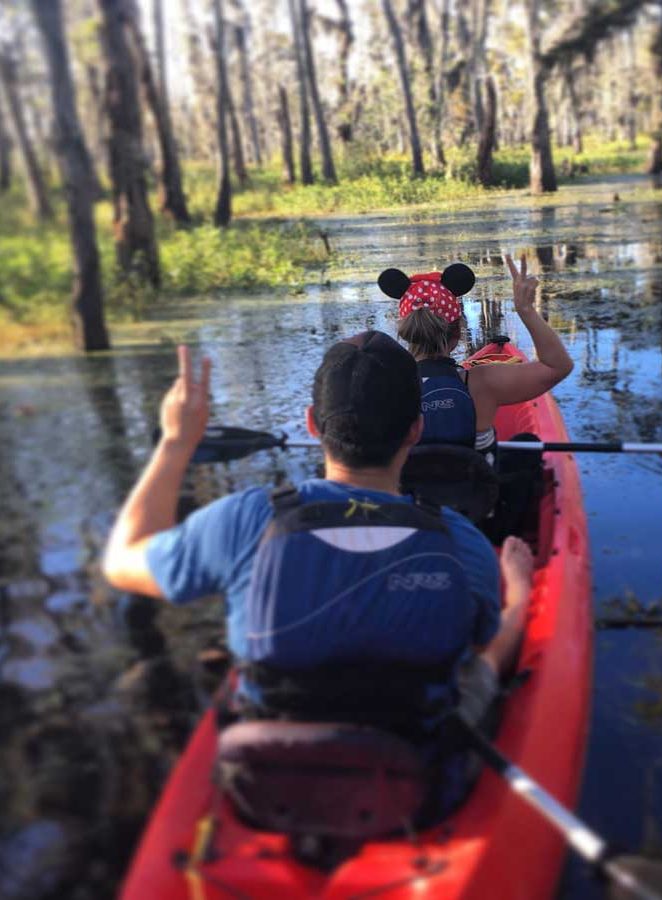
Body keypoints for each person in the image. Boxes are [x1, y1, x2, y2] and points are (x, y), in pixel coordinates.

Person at [102, 333, 533, 735]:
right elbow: (482, 648)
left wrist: (174, 446)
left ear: (312, 423)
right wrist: (518, 592)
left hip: (268, 779)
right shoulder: (462, 541)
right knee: (483, 661)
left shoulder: (244, 521)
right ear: (415, 430)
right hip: (421, 780)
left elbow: (121, 561)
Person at [381, 253, 573, 458]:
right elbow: (557, 366)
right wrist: (526, 310)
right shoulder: (482, 383)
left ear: (407, 334)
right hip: (476, 486)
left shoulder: (387, 388)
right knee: (527, 445)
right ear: (457, 332)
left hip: (413, 490)